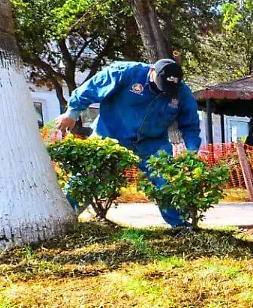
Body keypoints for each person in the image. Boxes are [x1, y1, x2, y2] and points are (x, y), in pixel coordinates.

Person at [55, 59, 201, 228]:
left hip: (152, 142)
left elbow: (190, 125)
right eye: (162, 85)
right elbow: (90, 89)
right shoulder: (125, 73)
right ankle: (64, 220)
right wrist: (72, 113)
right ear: (152, 71)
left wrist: (191, 152)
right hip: (110, 134)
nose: (165, 91)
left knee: (166, 180)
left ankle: (181, 226)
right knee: (88, 175)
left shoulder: (181, 92)